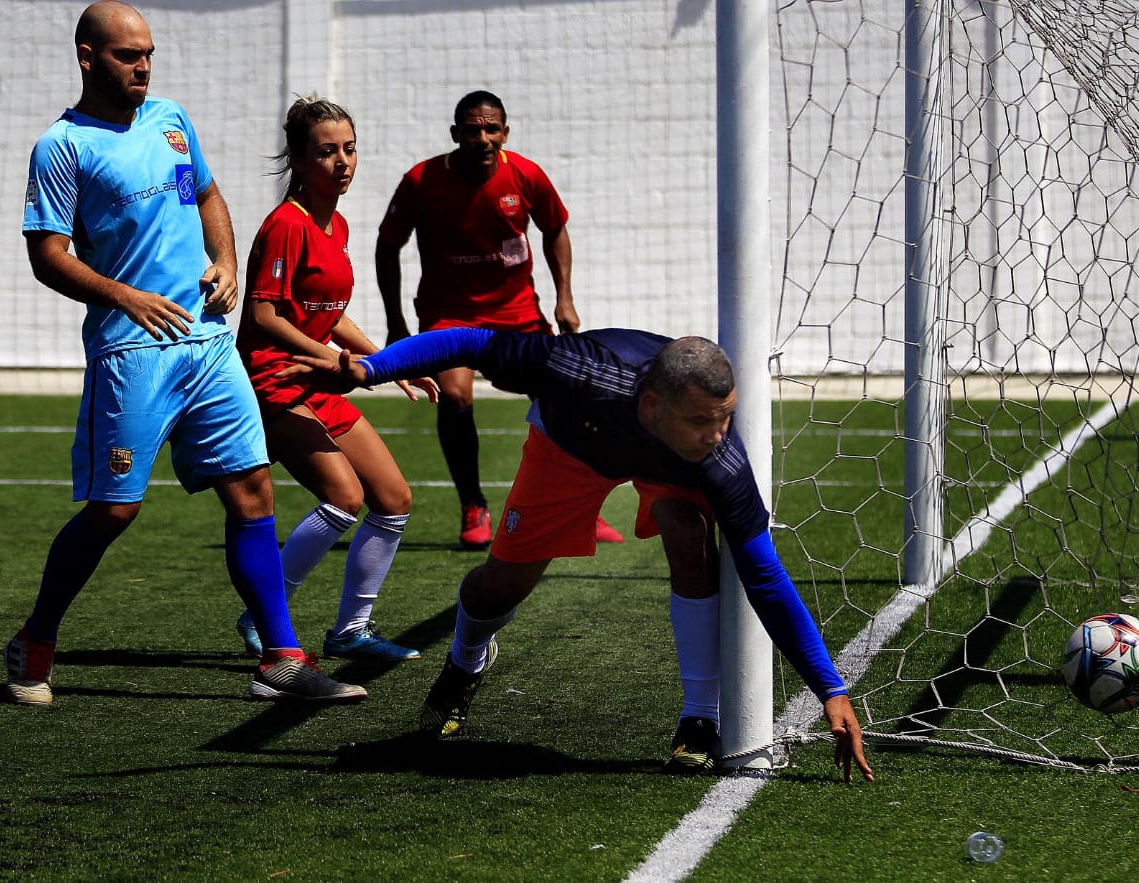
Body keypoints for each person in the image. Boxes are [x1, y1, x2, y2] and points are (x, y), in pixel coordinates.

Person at [285, 328, 875, 781]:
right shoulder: (574, 369)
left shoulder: (716, 458)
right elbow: (468, 340)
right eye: (702, 421)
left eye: (725, 418)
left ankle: (700, 714)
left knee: (689, 529)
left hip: (664, 467)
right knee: (502, 586)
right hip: (572, 447)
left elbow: (764, 576)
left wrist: (831, 689)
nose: (718, 435)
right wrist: (368, 367)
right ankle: (466, 660)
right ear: (650, 407)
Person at [5, 1, 366, 706]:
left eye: (148, 54)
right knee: (114, 512)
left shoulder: (171, 118)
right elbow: (47, 255)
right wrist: (123, 296)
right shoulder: (62, 146)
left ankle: (280, 659)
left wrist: (226, 263)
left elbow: (207, 194)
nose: (142, 66)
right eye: (126, 55)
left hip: (208, 346)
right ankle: (34, 639)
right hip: (132, 353)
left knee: (252, 491)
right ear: (88, 56)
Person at [233, 95, 437, 662]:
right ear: (298, 159)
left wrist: (389, 361)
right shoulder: (285, 225)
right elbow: (263, 317)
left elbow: (330, 312)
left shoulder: (337, 222)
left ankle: (351, 631)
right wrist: (328, 360)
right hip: (273, 384)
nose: (343, 161)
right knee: (344, 496)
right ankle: (262, 613)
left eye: (349, 149)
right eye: (327, 152)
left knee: (393, 499)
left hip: (317, 379)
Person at [375, 90, 624, 550]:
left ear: (505, 133)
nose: (484, 138)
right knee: (454, 394)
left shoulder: (526, 175)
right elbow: (388, 244)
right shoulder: (422, 180)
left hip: (517, 314)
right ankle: (473, 505)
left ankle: (578, 511)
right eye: (473, 129)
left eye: (492, 129)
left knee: (562, 397)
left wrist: (564, 297)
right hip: (449, 314)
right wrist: (395, 322)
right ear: (456, 134)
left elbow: (555, 230)